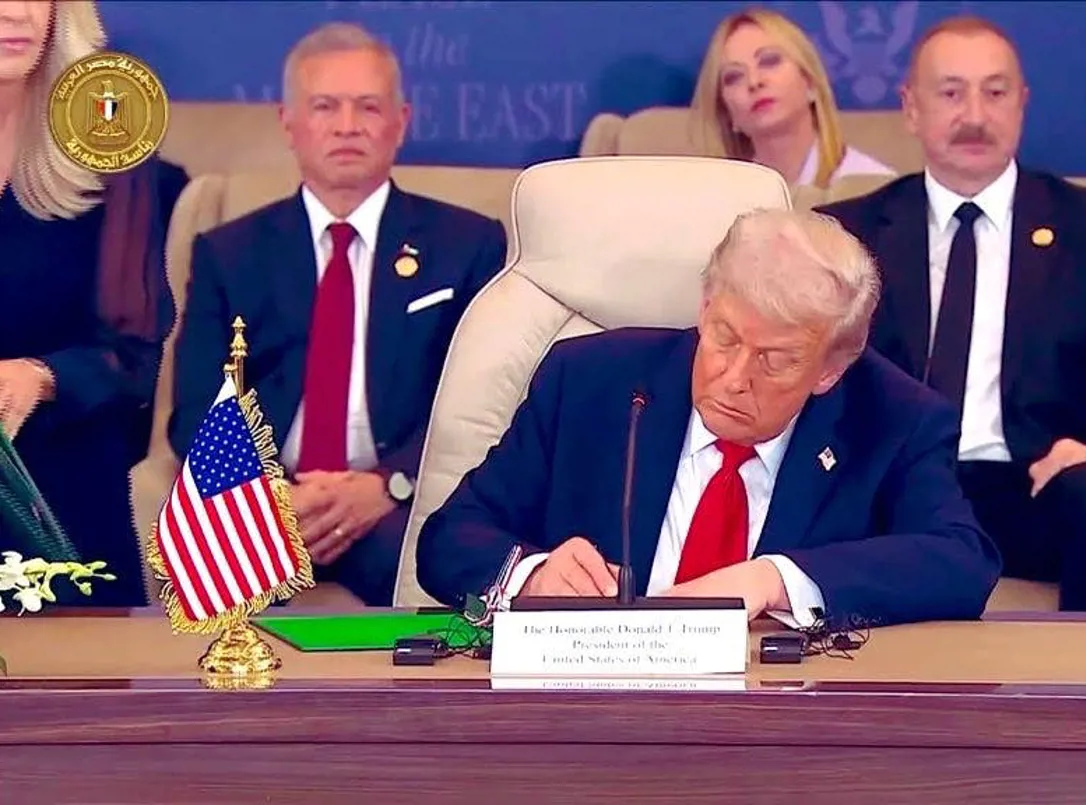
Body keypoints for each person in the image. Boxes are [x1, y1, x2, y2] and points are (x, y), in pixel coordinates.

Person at [417, 208, 1001, 629]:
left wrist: (773, 580)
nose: (734, 376)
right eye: (723, 336)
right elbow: (449, 539)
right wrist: (533, 576)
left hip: (780, 723)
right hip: (591, 707)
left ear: (830, 370)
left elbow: (963, 562)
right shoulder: (590, 381)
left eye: (775, 360)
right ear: (704, 307)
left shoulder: (894, 418)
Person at [818, 16, 1086, 612]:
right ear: (910, 108)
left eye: (994, 93)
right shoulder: (849, 232)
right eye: (951, 93)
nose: (974, 115)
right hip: (895, 487)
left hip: (1037, 483)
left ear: (1022, 103)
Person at [169, 22, 508, 606]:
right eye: (325, 106)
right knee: (216, 579)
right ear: (289, 123)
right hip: (268, 502)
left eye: (368, 107)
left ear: (400, 122)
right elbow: (197, 410)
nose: (347, 126)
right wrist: (271, 498)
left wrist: (389, 485)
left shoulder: (467, 245)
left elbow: (481, 402)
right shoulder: (229, 253)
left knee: (441, 566)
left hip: (398, 502)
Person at [0, 0, 188, 605]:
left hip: (60, 488)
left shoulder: (105, 133)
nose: (18, 12)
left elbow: (135, 355)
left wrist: (40, 377)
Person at [689, 7, 896, 189]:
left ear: (810, 82)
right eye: (734, 76)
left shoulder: (874, 186)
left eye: (769, 61)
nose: (754, 81)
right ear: (728, 115)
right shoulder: (720, 200)